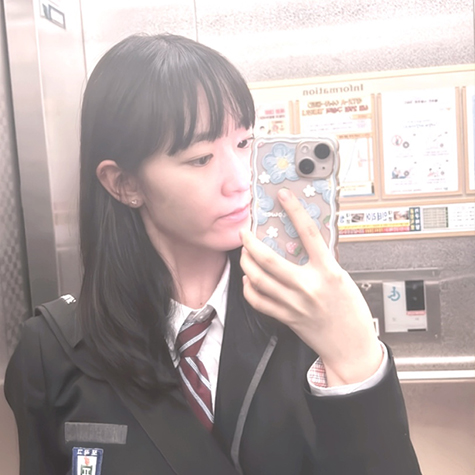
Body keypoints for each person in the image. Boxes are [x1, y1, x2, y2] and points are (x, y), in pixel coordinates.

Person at [4, 34, 421, 475]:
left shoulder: (308, 318)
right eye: (201, 158)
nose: (240, 180)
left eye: (244, 143)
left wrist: (355, 357)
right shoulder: (52, 350)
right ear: (124, 183)